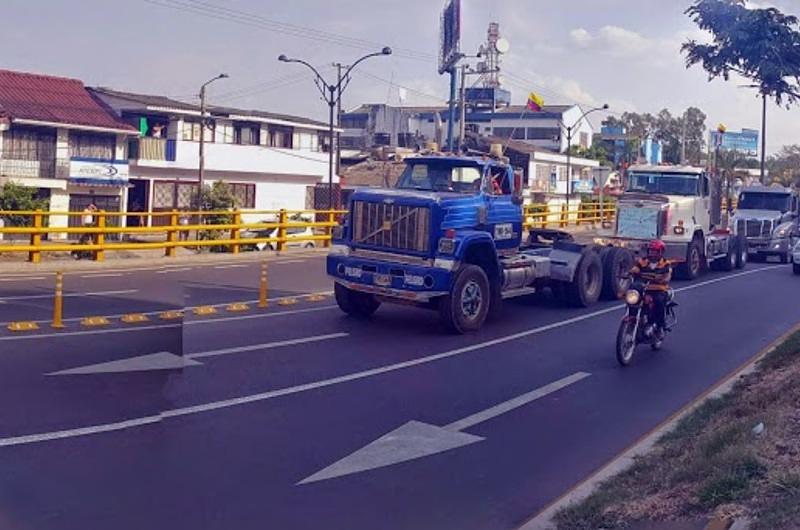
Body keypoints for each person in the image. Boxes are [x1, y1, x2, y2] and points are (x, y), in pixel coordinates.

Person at [630, 240, 672, 338]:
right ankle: (633, 316)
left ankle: (660, 327)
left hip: (658, 289)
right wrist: (631, 272)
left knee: (659, 301)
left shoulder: (665, 264)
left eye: (655, 252)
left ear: (661, 252)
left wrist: (663, 279)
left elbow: (668, 275)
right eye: (651, 251)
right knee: (633, 294)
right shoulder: (643, 261)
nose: (652, 254)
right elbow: (635, 268)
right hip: (644, 288)